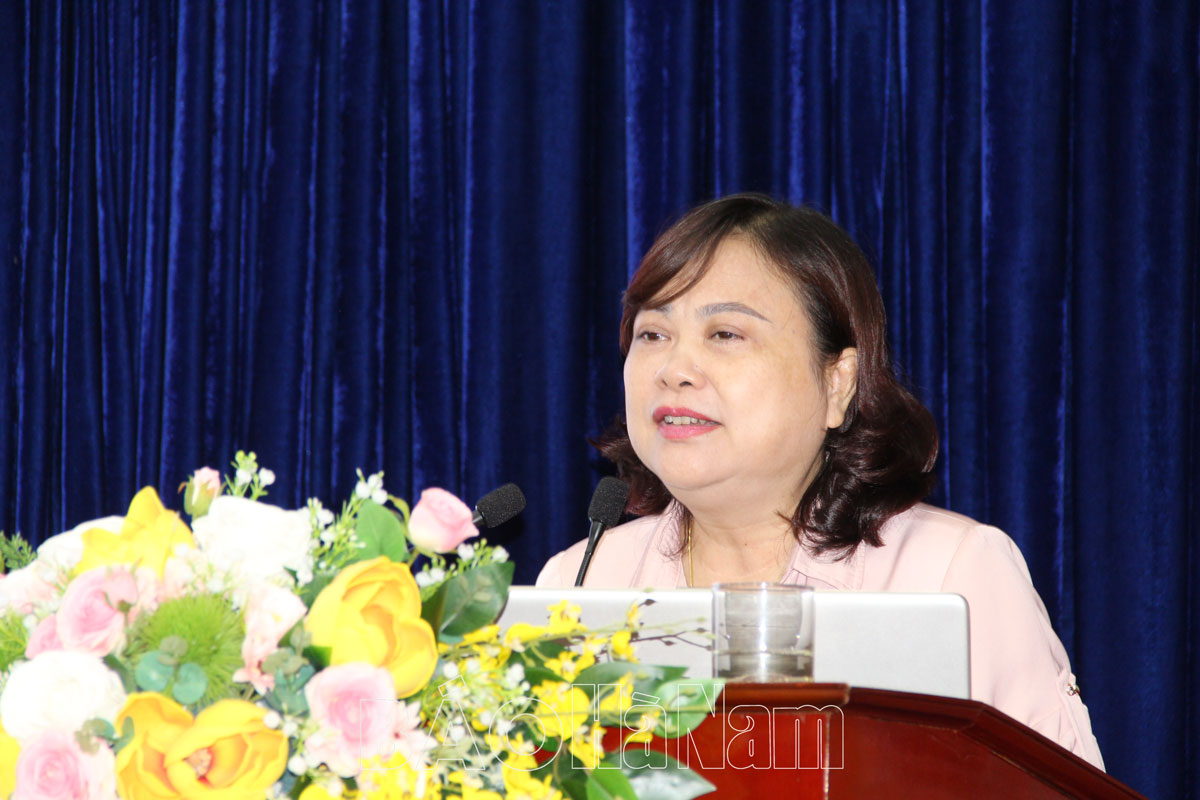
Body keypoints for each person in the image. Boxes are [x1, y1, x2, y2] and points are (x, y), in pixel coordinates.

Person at [536, 194, 1104, 769]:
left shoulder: (948, 575)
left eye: (725, 334)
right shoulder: (578, 586)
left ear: (838, 383)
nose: (674, 370)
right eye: (653, 334)